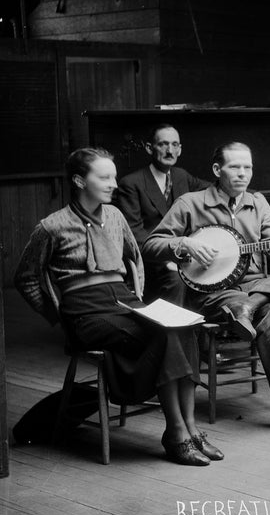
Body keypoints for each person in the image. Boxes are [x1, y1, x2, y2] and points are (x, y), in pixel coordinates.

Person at [15, 148, 220, 466]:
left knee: (184, 327)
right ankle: (175, 432)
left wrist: (135, 294)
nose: (113, 183)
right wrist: (57, 316)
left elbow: (135, 257)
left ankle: (192, 429)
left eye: (114, 176)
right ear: (80, 180)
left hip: (125, 303)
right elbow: (26, 278)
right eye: (104, 177)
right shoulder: (51, 226)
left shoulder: (115, 216)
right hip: (87, 312)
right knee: (164, 335)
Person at [144, 142, 270, 436]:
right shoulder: (190, 203)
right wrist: (185, 244)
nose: (243, 173)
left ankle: (252, 304)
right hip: (215, 291)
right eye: (236, 167)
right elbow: (151, 245)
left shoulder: (258, 204)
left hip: (257, 284)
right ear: (218, 170)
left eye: (248, 167)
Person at [114, 124, 209, 304]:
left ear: (180, 150)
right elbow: (134, 235)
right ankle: (174, 331)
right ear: (150, 148)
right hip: (152, 262)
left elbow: (212, 190)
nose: (170, 150)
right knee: (177, 279)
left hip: (184, 256)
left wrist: (253, 194)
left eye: (175, 145)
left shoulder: (181, 176)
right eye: (163, 144)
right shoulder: (131, 183)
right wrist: (167, 259)